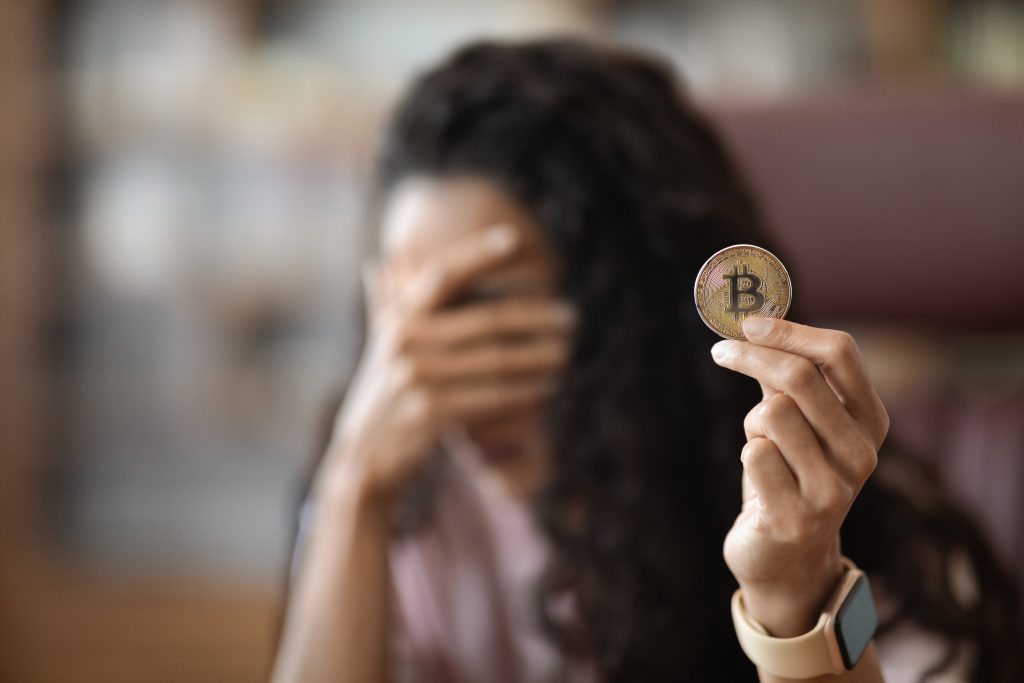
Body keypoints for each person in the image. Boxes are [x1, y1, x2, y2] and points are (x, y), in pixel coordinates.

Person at [271, 39, 1022, 682]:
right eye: (406, 312)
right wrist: (349, 492)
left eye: (488, 309)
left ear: (637, 305)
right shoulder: (410, 505)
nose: (425, 371)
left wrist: (796, 598)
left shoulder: (825, 511)